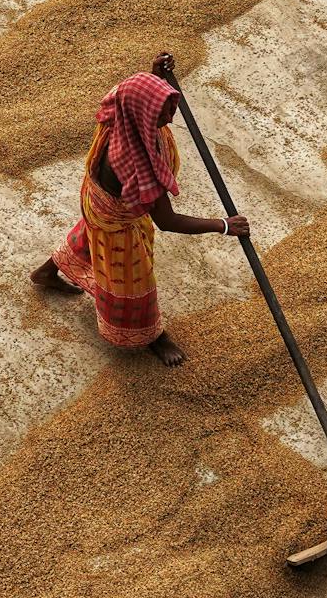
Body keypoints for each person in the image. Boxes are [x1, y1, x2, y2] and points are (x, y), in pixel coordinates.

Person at [30, 53, 249, 366]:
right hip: (117, 217)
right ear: (141, 117)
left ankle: (47, 272)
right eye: (161, 114)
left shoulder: (120, 113)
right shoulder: (137, 165)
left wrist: (156, 77)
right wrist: (223, 225)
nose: (170, 119)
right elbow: (166, 220)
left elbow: (135, 95)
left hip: (99, 204)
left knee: (91, 234)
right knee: (134, 280)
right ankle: (152, 337)